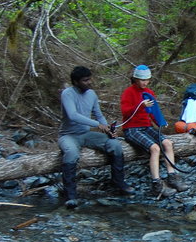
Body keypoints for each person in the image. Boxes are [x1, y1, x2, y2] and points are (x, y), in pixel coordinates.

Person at [59, 66, 133, 209]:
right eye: (85, 80)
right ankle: (70, 195)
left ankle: (119, 182)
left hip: (86, 134)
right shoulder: (67, 94)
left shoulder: (91, 94)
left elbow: (98, 114)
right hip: (68, 135)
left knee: (115, 145)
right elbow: (72, 115)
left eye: (89, 79)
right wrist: (97, 125)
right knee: (71, 153)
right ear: (75, 82)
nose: (89, 82)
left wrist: (108, 129)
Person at [119, 65, 188, 197]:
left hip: (147, 127)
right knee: (155, 148)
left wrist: (160, 122)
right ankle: (157, 183)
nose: (144, 83)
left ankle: (172, 177)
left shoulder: (149, 92)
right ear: (135, 79)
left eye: (147, 80)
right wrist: (140, 106)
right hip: (131, 128)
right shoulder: (128, 92)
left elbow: (153, 111)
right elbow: (125, 112)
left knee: (167, 143)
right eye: (141, 80)